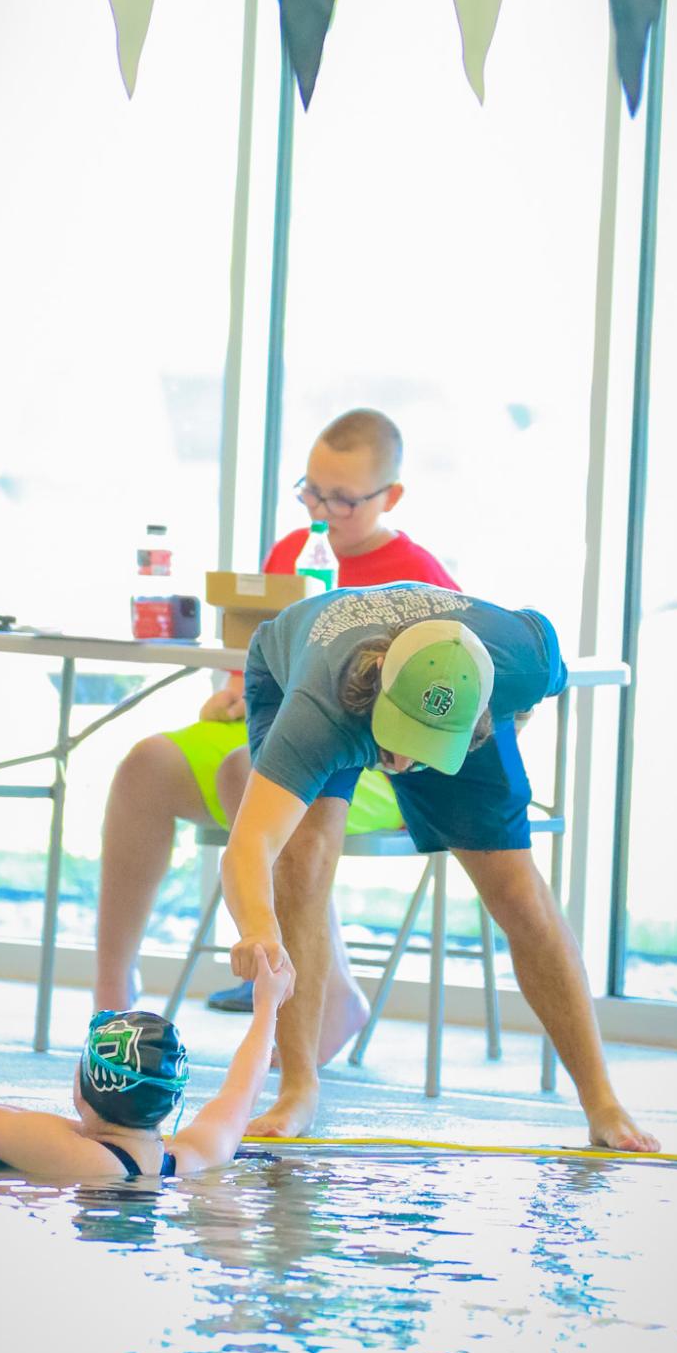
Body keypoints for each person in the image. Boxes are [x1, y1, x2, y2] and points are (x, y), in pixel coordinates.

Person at [220, 583, 659, 1155]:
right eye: (398, 741)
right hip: (302, 671)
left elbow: (541, 660)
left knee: (518, 895)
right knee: (302, 858)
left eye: (419, 750)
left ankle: (602, 1101)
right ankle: (298, 1086)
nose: (400, 764)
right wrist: (257, 926)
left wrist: (512, 719)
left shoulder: (520, 663)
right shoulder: (321, 708)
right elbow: (249, 846)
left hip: (456, 702)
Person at [94, 408, 456, 1059]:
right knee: (145, 764)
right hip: (273, 733)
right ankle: (112, 991)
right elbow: (256, 654)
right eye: (311, 491)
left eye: (343, 498)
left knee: (251, 770)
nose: (323, 510)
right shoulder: (293, 553)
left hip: (374, 765)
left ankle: (332, 984)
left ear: (390, 496)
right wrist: (234, 690)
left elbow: (451, 697)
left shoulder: (420, 576)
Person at [0, 946, 292, 1183]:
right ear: (171, 1098)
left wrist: (82, 1127)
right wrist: (267, 1006)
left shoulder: (80, 1157)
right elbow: (241, 1089)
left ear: (85, 1088)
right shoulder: (195, 1156)